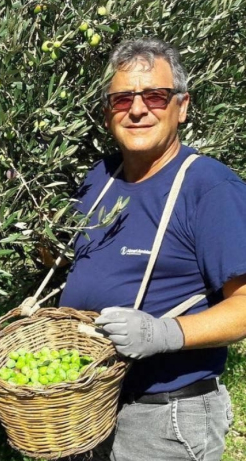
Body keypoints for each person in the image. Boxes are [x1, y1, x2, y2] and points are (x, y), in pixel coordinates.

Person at [59, 38, 242, 460]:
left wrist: (163, 333)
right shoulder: (99, 178)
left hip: (164, 419)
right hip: (84, 408)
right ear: (107, 111)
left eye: (155, 96)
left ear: (182, 106)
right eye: (122, 99)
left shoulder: (210, 188)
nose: (138, 110)